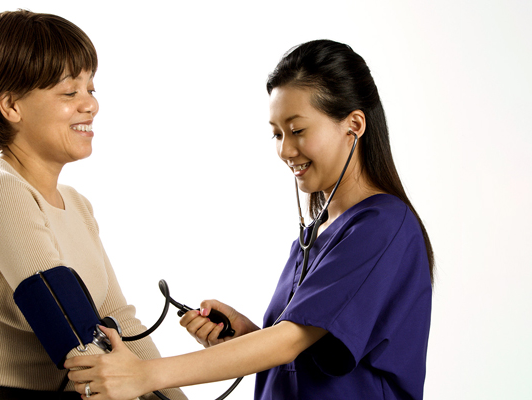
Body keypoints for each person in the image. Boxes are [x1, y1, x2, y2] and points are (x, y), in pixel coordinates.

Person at [64, 39, 434, 400]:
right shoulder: (316, 235)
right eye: (277, 134)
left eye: (298, 130)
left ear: (353, 125)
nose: (285, 150)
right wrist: (245, 334)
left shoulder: (383, 226)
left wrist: (143, 376)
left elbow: (289, 341)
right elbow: (303, 354)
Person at [0, 10, 186, 400]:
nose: (90, 105)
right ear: (11, 106)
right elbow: (72, 327)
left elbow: (119, 321)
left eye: (91, 90)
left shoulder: (78, 206)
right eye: (70, 92)